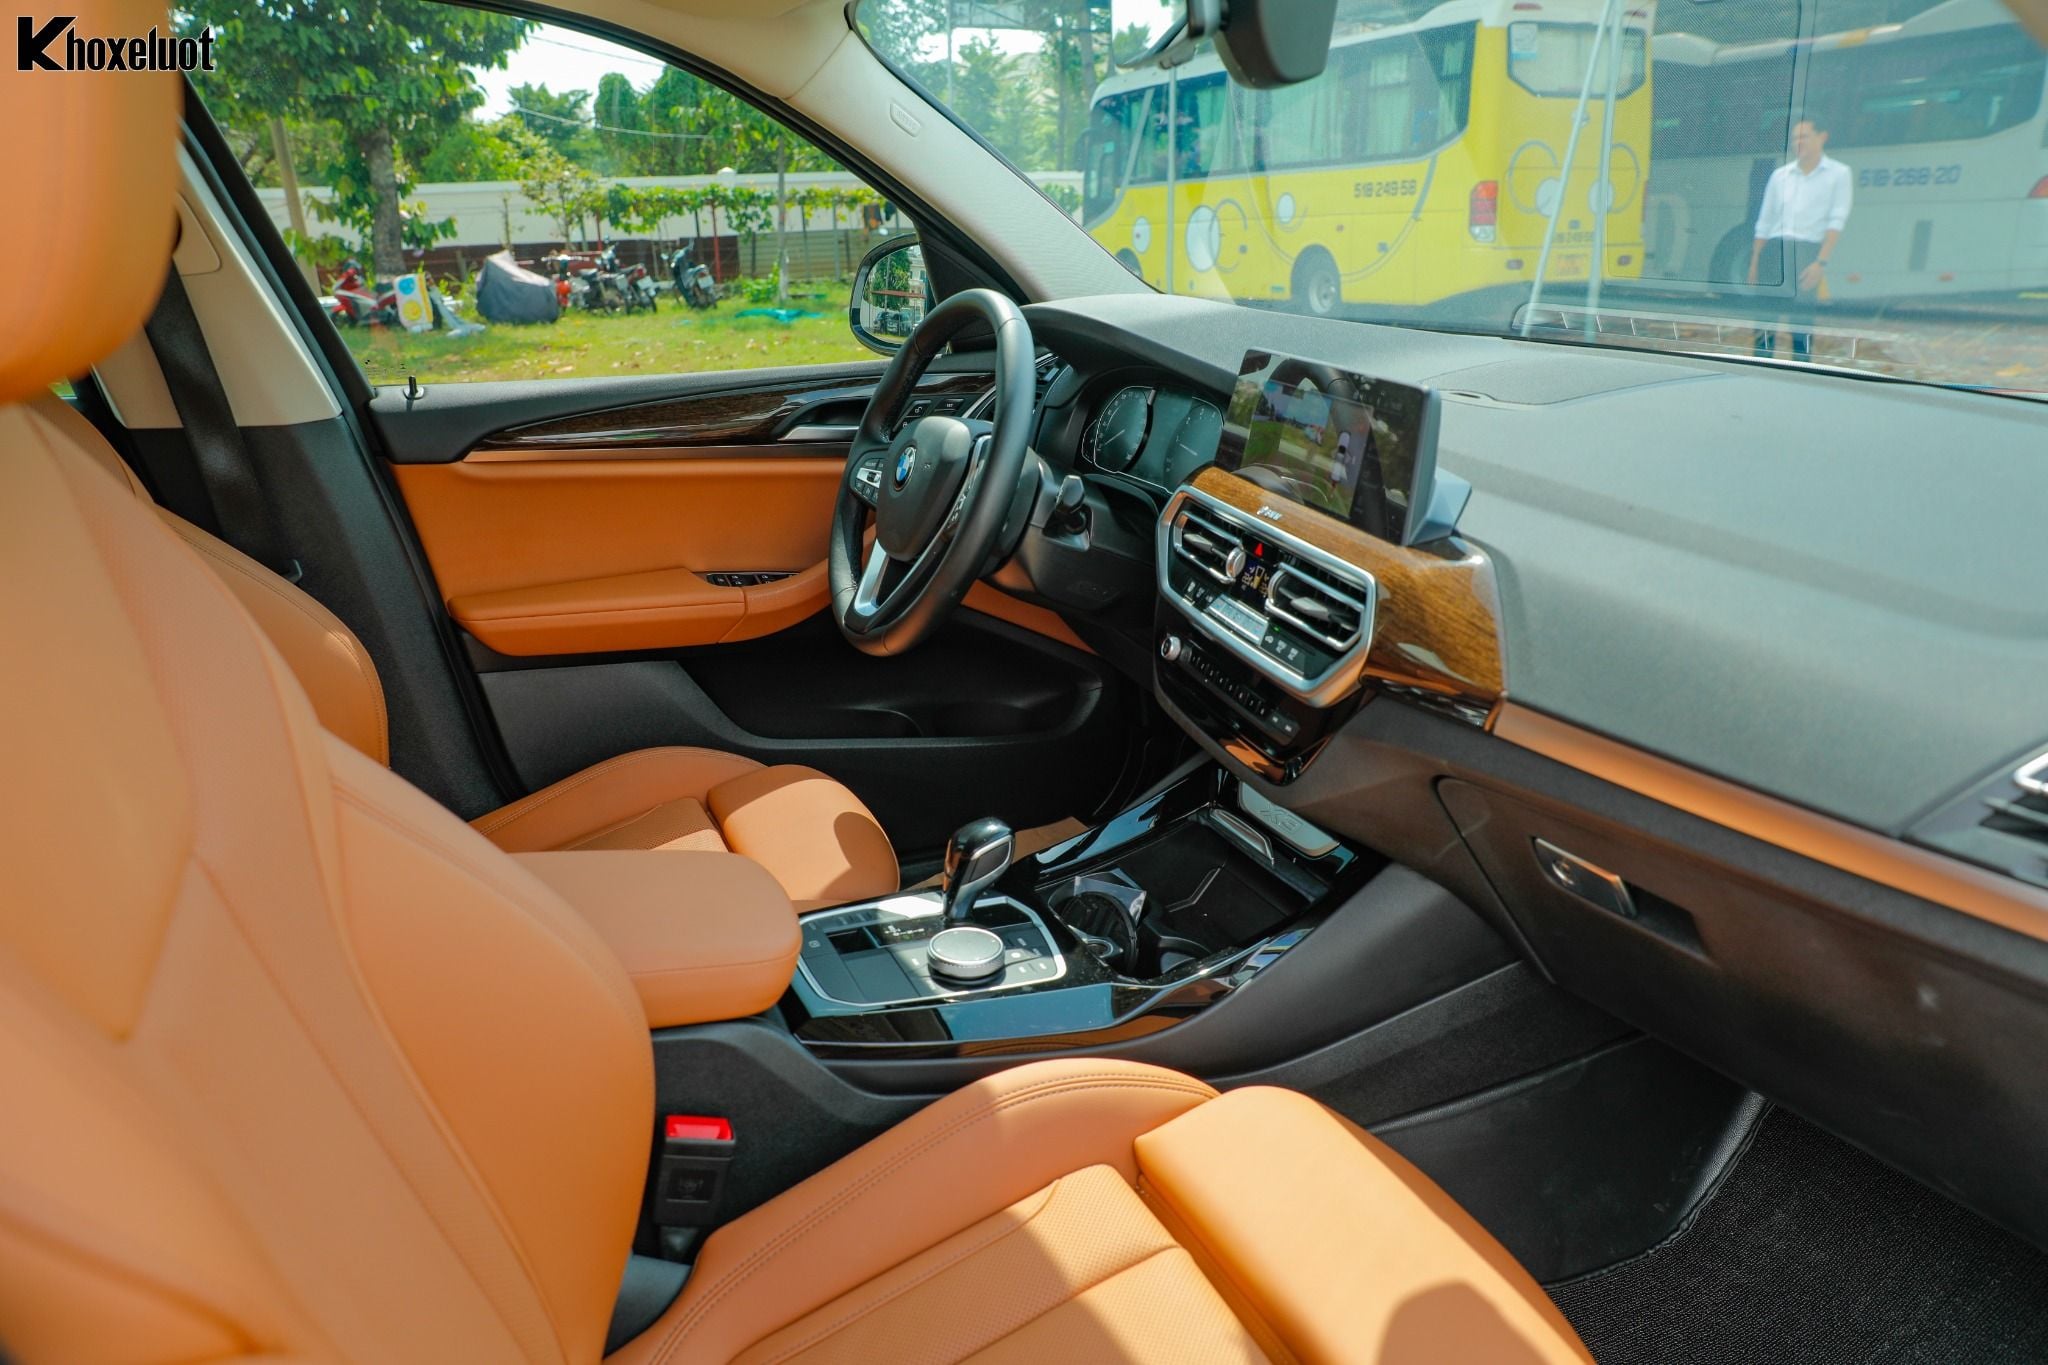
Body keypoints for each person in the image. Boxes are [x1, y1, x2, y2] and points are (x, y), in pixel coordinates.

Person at [1748, 116, 1852, 361]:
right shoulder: (1780, 176)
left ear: (1821, 137)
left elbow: (1836, 221)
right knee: (1765, 319)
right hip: (1775, 251)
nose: (1798, 143)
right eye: (1795, 138)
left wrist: (1820, 263)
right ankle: (1761, 365)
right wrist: (1755, 262)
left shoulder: (1838, 174)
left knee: (1801, 321)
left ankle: (1801, 368)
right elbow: (1764, 222)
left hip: (1807, 251)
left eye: (1804, 137)